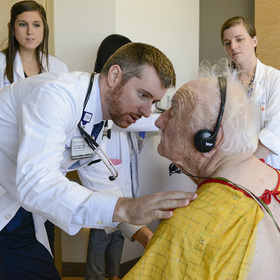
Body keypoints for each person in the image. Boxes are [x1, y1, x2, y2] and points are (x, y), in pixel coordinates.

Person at [0, 41, 197, 280]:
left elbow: (100, 182)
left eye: (153, 102)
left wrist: (147, 238)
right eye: (143, 95)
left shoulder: (98, 120)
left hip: (25, 208)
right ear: (114, 76)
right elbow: (36, 183)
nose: (147, 112)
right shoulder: (56, 95)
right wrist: (126, 208)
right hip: (13, 207)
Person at [123, 60, 280, 279]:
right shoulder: (275, 180)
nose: (159, 121)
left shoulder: (188, 228)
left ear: (207, 140)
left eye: (173, 111)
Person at [84, 34, 158, 280]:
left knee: (118, 237)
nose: (146, 108)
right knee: (100, 236)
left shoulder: (121, 111)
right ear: (114, 69)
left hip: (122, 189)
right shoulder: (102, 107)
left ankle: (115, 277)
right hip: (104, 190)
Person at [0, 0, 69, 257]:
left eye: (36, 25)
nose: (30, 31)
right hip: (6, 166)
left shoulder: (58, 68)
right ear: (12, 28)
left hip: (45, 165)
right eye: (23, 24)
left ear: (44, 29)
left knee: (44, 235)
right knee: (14, 236)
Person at [220, 16, 280, 170]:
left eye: (239, 39)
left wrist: (240, 169)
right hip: (231, 162)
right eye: (227, 43)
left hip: (266, 167)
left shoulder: (274, 79)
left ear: (255, 41)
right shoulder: (222, 83)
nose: (233, 46)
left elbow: (273, 134)